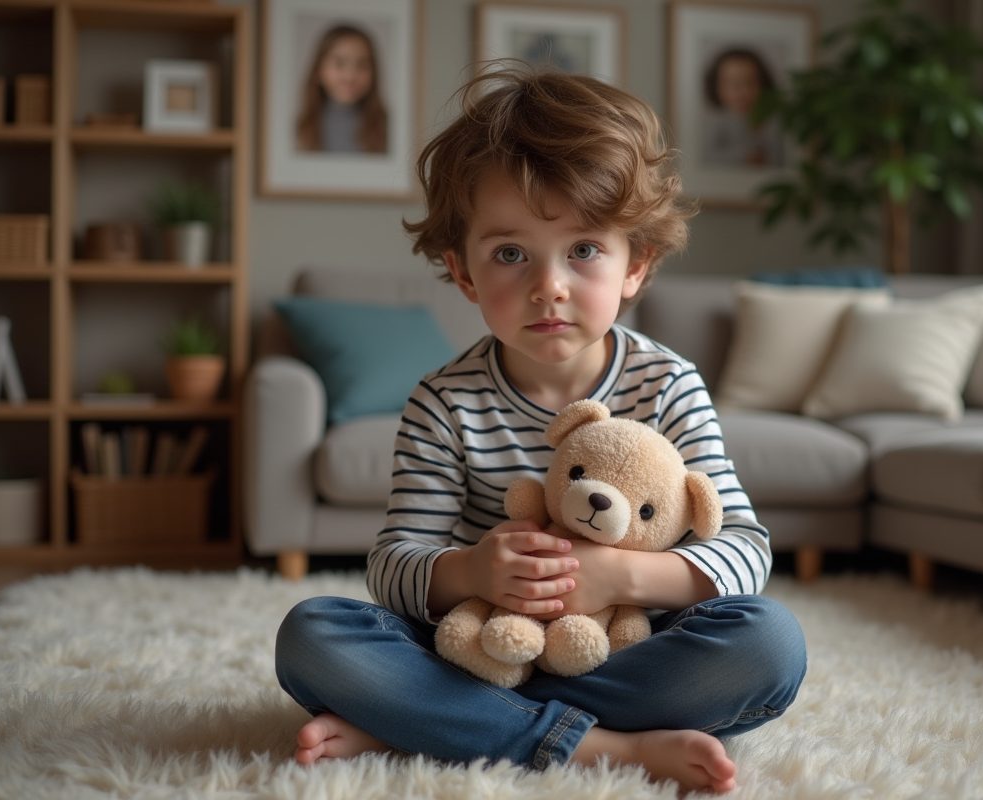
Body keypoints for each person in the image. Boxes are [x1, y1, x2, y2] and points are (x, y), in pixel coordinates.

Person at [274, 64, 806, 796]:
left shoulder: (669, 385)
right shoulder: (443, 401)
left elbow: (744, 550)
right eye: (511, 253)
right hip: (478, 647)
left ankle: (435, 727)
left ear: (636, 266)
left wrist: (620, 576)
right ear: (463, 274)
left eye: (584, 250)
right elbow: (395, 565)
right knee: (313, 636)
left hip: (622, 648)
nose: (548, 284)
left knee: (768, 643)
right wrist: (473, 572)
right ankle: (598, 748)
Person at [296, 23, 388, 154]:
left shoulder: (389, 127)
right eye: (339, 63)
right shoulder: (298, 129)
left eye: (362, 65)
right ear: (318, 70)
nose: (350, 76)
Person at [701, 47, 785, 168]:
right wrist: (745, 156)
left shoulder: (771, 120)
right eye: (732, 83)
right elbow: (708, 157)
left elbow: (779, 159)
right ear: (716, 87)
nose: (742, 91)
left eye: (750, 83)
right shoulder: (717, 121)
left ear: (764, 84)